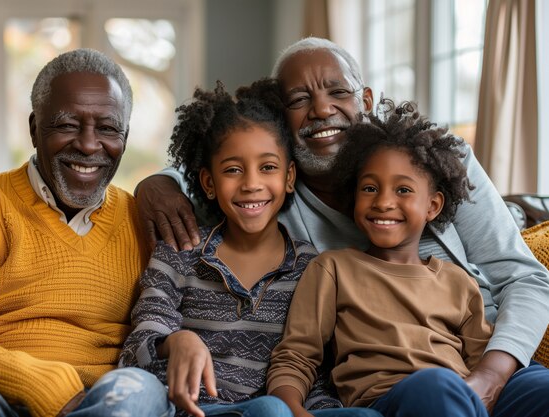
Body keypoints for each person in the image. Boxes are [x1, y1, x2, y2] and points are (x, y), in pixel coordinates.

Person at [134, 36, 549, 416]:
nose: (321, 109)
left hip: (487, 361)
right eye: (300, 99)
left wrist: (491, 375)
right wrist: (159, 182)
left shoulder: (433, 162)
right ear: (282, 116)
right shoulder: (282, 200)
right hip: (391, 387)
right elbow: (225, 166)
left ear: (365, 99)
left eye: (338, 91)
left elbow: (524, 278)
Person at [0, 49, 171, 417]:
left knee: (140, 391)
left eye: (107, 128)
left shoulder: (142, 217)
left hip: (107, 399)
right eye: (67, 125)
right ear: (34, 128)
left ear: (125, 136)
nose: (88, 145)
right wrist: (45, 384)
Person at [118, 79, 381, 417]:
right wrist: (176, 341)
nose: (252, 184)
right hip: (195, 409)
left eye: (267, 167)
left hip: (282, 407)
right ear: (209, 183)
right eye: (233, 170)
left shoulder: (311, 267)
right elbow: (138, 342)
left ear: (288, 178)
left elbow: (315, 370)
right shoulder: (179, 252)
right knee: (271, 410)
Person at [268, 101, 495, 417]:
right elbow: (297, 354)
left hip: (455, 395)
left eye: (403, 190)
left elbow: (482, 364)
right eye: (370, 188)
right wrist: (289, 405)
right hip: (384, 401)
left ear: (433, 206)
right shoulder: (334, 269)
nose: (384, 202)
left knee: (539, 385)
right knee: (437, 386)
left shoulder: (456, 280)